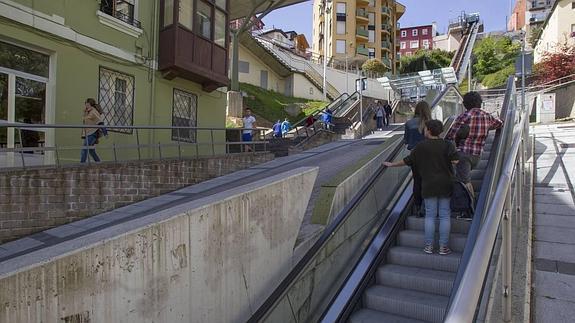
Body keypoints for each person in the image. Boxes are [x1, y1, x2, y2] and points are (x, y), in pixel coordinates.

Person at [385, 120, 459, 255]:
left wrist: (391, 164)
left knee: (430, 216)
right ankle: (443, 247)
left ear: (429, 130)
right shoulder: (448, 144)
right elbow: (455, 161)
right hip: (446, 184)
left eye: (425, 129)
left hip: (428, 184)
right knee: (444, 215)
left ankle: (429, 246)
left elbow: (407, 161)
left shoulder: (421, 146)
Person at [446, 91, 503, 197]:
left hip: (464, 155)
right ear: (480, 103)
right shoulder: (487, 116)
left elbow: (451, 135)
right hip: (477, 156)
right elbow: (499, 124)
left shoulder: (464, 116)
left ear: (465, 104)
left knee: (464, 183)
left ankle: (470, 207)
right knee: (464, 180)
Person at [404, 101, 432, 216]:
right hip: (429, 155)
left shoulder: (409, 123)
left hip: (414, 156)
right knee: (428, 181)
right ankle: (427, 207)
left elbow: (406, 141)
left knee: (417, 181)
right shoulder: (430, 123)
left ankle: (418, 207)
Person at [81, 98, 102, 163]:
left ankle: (82, 164)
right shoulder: (88, 112)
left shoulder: (93, 111)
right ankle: (98, 162)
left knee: (85, 148)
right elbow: (85, 121)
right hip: (89, 133)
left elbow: (99, 121)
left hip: (92, 133)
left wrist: (104, 132)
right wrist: (85, 112)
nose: (85, 105)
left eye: (86, 104)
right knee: (91, 150)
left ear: (89, 104)